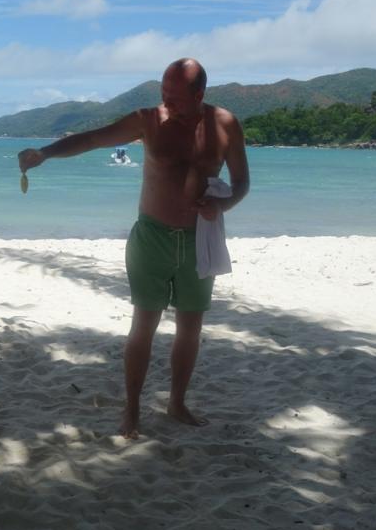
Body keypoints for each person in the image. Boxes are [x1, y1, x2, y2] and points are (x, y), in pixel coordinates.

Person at [17, 58, 250, 439]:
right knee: (143, 326)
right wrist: (45, 152)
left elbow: (241, 182)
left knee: (190, 329)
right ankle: (132, 409)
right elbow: (93, 139)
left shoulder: (225, 125)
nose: (167, 104)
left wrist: (222, 205)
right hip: (151, 238)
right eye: (163, 93)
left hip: (199, 241)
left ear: (199, 95)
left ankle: (176, 402)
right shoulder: (148, 120)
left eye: (175, 98)